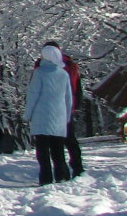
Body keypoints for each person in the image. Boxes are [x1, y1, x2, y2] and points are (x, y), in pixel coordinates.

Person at [24, 43, 75, 185]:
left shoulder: (39, 72)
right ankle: (62, 176)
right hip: (59, 118)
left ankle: (46, 179)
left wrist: (27, 114)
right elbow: (68, 97)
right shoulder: (63, 74)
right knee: (58, 151)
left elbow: (33, 95)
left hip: (41, 118)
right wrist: (67, 116)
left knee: (43, 153)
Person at [45, 40, 85, 178]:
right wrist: (76, 105)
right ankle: (78, 169)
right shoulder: (71, 65)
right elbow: (78, 88)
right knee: (70, 140)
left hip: (51, 109)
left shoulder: (42, 66)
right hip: (67, 108)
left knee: (55, 143)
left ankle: (61, 173)